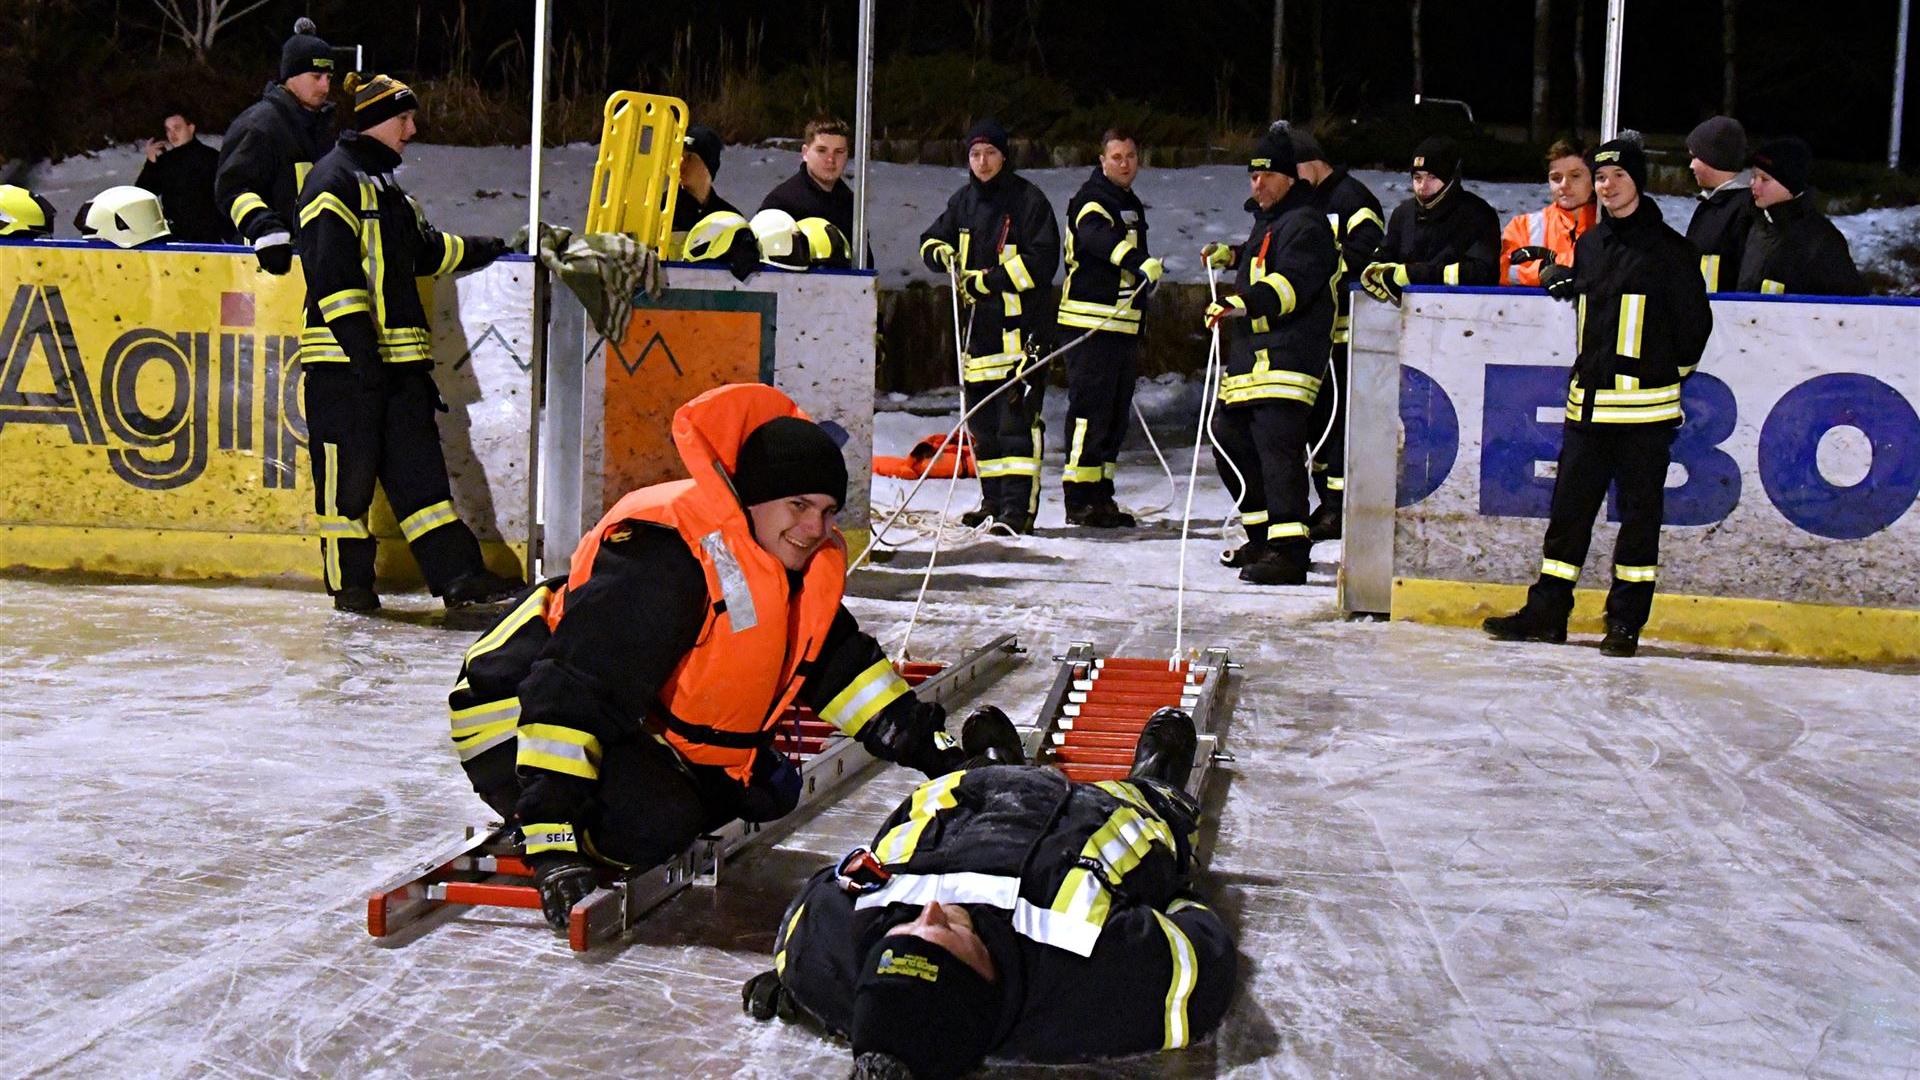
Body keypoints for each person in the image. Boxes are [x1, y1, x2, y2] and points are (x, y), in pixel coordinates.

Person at [447, 383, 970, 932]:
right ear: (752, 498)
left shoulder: (778, 566)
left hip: (607, 711)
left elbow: (847, 672)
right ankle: (557, 817)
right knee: (659, 821)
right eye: (798, 505)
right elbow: (572, 696)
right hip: (513, 715)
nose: (815, 529)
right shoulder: (667, 559)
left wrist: (944, 758)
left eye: (827, 510)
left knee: (760, 793)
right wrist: (552, 845)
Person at [742, 707, 1236, 1079]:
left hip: (972, 797)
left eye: (906, 929)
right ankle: (1156, 778)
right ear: (983, 982)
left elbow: (807, 918)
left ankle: (993, 762)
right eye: (945, 936)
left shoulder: (831, 949)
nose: (930, 911)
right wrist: (1175, 896)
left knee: (971, 781)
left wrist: (804, 986)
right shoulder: (1095, 984)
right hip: (1102, 814)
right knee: (1154, 811)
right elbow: (1202, 952)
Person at [296, 72, 517, 613]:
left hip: (398, 368)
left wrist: (482, 247)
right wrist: (360, 353)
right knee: (345, 490)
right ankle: (351, 590)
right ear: (375, 121)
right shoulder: (333, 182)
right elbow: (331, 274)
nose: (413, 129)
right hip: (345, 369)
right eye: (404, 118)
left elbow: (421, 252)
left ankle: (460, 578)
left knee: (422, 484)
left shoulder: (389, 189)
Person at [1483, 137, 1712, 658]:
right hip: (1587, 409)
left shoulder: (1672, 251)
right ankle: (1547, 612)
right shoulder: (1590, 244)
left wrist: (1658, 377)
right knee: (1567, 517)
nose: (1607, 187)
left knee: (1638, 522)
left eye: (1617, 178)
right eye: (1602, 179)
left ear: (1637, 181)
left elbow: (1694, 329)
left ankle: (1625, 621)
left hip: (1644, 415)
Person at [1198, 128, 1338, 586]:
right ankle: (1262, 536)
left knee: (1278, 453)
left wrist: (1244, 303)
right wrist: (1233, 254)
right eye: (1252, 176)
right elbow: (1267, 256)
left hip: (1287, 361)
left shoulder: (1308, 222)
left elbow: (1294, 282)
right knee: (1227, 436)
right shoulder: (1274, 222)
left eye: (1266, 175)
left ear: (1288, 178)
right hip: (1253, 363)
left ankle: (1290, 551)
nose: (1256, 184)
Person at [918, 120, 1061, 534]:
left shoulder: (1028, 201)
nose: (982, 162)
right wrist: (939, 252)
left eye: (990, 154)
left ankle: (1018, 512)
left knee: (1017, 429)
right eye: (975, 155)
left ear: (1004, 156)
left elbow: (1042, 261)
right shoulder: (962, 201)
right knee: (986, 431)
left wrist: (989, 280)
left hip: (1021, 339)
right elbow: (930, 239)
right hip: (977, 341)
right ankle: (994, 502)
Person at [1056, 127, 1163, 529]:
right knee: (1090, 412)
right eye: (1116, 156)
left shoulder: (1127, 201)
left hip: (1122, 325)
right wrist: (1137, 261)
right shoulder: (1092, 200)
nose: (1124, 163)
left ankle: (1101, 495)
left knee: (1115, 416)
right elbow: (1096, 239)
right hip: (1091, 324)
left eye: (1130, 156)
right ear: (1102, 161)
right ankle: (1079, 497)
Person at [1288, 124, 1384, 542]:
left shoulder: (1353, 199)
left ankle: (1337, 509)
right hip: (1315, 335)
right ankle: (1325, 503)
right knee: (1318, 427)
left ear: (1311, 162)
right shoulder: (1310, 201)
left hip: (1346, 335)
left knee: (1341, 427)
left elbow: (1365, 255)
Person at [215, 17, 336, 275]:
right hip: (263, 269)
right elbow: (232, 188)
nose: (325, 86)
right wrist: (265, 228)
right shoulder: (261, 126)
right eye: (316, 76)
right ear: (291, 76)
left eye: (329, 77)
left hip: (312, 264)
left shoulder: (322, 128)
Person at [1358, 135, 1501, 305]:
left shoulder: (1478, 215)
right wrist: (1374, 270)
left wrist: (1414, 274)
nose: (1423, 186)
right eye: (1417, 178)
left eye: (1432, 177)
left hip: (1462, 319)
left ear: (1451, 179)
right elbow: (1385, 253)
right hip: (1407, 320)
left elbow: (1483, 273)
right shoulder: (1403, 214)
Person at [1736, 137, 1865, 297]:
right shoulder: (1756, 225)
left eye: (1765, 179)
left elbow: (1849, 308)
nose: (1754, 185)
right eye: (1753, 176)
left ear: (1790, 185)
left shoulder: (1820, 241)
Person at [759, 116, 871, 268]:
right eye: (822, 150)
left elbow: (865, 264)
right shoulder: (782, 203)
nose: (831, 159)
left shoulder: (852, 204)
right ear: (805, 152)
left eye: (839, 151)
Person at [1498, 138, 1596, 288]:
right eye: (1556, 178)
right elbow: (1501, 271)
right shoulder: (1522, 226)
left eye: (1575, 176)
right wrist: (1542, 271)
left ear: (1594, 179)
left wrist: (1554, 261)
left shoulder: (1607, 224)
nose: (1564, 185)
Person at [134, 107, 228, 244]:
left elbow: (224, 196)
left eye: (177, 128)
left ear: (191, 128)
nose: (172, 135)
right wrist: (151, 163)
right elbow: (143, 194)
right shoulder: (166, 161)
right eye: (168, 130)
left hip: (207, 237)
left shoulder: (211, 158)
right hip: (174, 236)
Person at [1683, 116, 1753, 294]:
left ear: (1712, 159)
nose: (1691, 165)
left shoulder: (1745, 210)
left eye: (1695, 157)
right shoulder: (1711, 203)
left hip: (1724, 316)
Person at [668, 124, 740, 259]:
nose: (680, 163)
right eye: (679, 156)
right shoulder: (662, 211)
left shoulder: (729, 218)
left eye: (689, 157)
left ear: (708, 166)